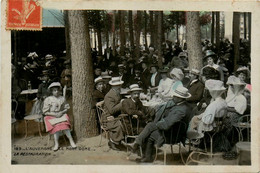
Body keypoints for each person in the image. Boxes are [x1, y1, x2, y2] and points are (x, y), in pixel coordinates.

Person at [122, 86, 193, 163]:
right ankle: (139, 147)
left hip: (173, 135)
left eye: (174, 96)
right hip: (173, 131)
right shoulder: (183, 106)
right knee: (149, 127)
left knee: (149, 132)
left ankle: (141, 150)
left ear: (180, 98)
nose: (173, 98)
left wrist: (157, 124)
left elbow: (166, 125)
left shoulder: (180, 110)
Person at [43, 82, 76, 151]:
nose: (56, 92)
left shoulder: (62, 98)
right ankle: (56, 143)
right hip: (51, 115)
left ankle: (71, 140)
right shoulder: (48, 99)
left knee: (65, 125)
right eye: (54, 90)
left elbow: (66, 108)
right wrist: (55, 114)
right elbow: (45, 112)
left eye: (57, 90)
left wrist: (61, 112)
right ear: (52, 91)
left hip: (60, 114)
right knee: (56, 127)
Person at [102, 77, 124, 150]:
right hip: (108, 117)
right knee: (119, 124)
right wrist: (121, 103)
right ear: (113, 86)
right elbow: (111, 110)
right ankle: (113, 141)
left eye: (120, 85)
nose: (120, 87)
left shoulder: (117, 93)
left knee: (127, 120)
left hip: (116, 115)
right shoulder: (109, 96)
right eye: (118, 85)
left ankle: (120, 140)